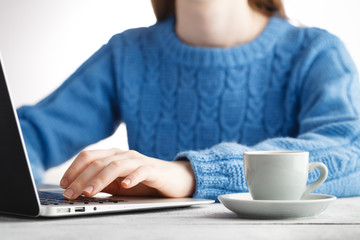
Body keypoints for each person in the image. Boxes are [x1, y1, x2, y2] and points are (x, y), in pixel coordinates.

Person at [17, 0, 360, 201]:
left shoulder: (315, 53)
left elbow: (350, 153)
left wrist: (194, 175)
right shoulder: (128, 54)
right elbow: (25, 139)